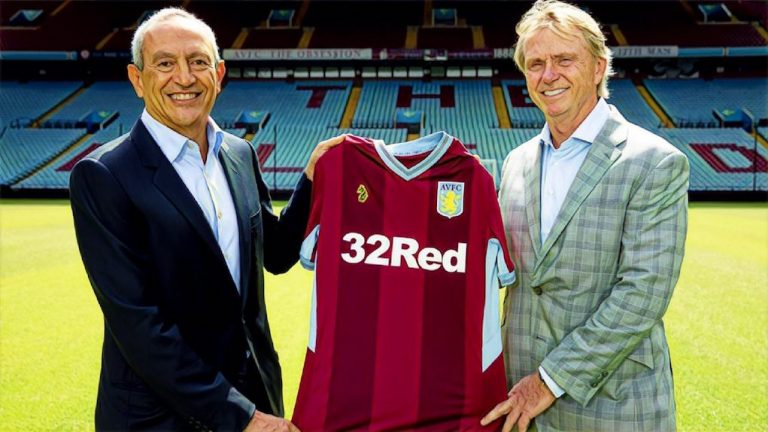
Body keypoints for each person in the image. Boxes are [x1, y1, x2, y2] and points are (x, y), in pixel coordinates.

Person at [69, 8, 340, 431]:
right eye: (165, 63)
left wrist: (311, 179)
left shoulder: (239, 153)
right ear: (137, 79)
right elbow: (141, 327)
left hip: (255, 395)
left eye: (197, 61)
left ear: (219, 73)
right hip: (160, 419)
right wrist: (241, 417)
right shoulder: (104, 174)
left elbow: (277, 253)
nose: (184, 77)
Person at [482, 1, 689, 431]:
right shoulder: (515, 163)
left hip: (613, 408)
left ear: (598, 67)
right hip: (519, 405)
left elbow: (642, 293)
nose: (548, 75)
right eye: (536, 63)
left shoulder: (654, 162)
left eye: (564, 60)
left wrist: (548, 381)